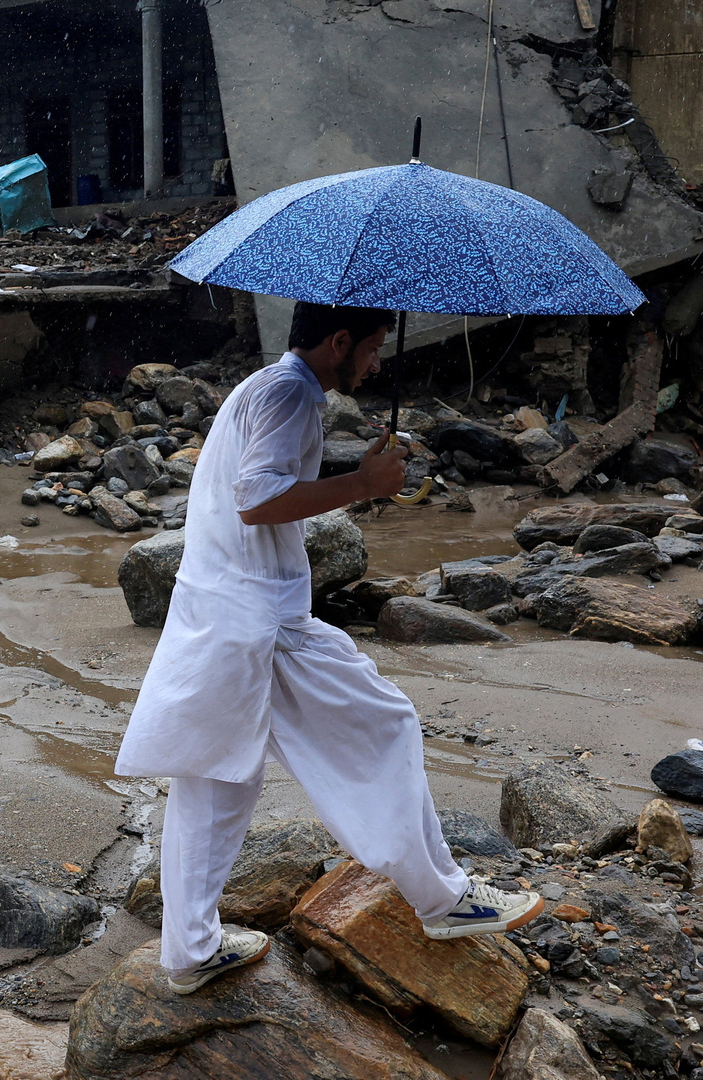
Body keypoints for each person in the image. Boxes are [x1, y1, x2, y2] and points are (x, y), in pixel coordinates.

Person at [115, 302, 543, 995]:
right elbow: (258, 498)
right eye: (372, 349)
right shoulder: (290, 394)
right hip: (262, 622)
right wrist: (362, 486)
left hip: (225, 611)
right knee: (385, 724)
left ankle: (189, 952)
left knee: (216, 783)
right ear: (339, 342)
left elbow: (258, 484)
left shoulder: (266, 386)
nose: (376, 364)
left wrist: (352, 471)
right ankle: (443, 900)